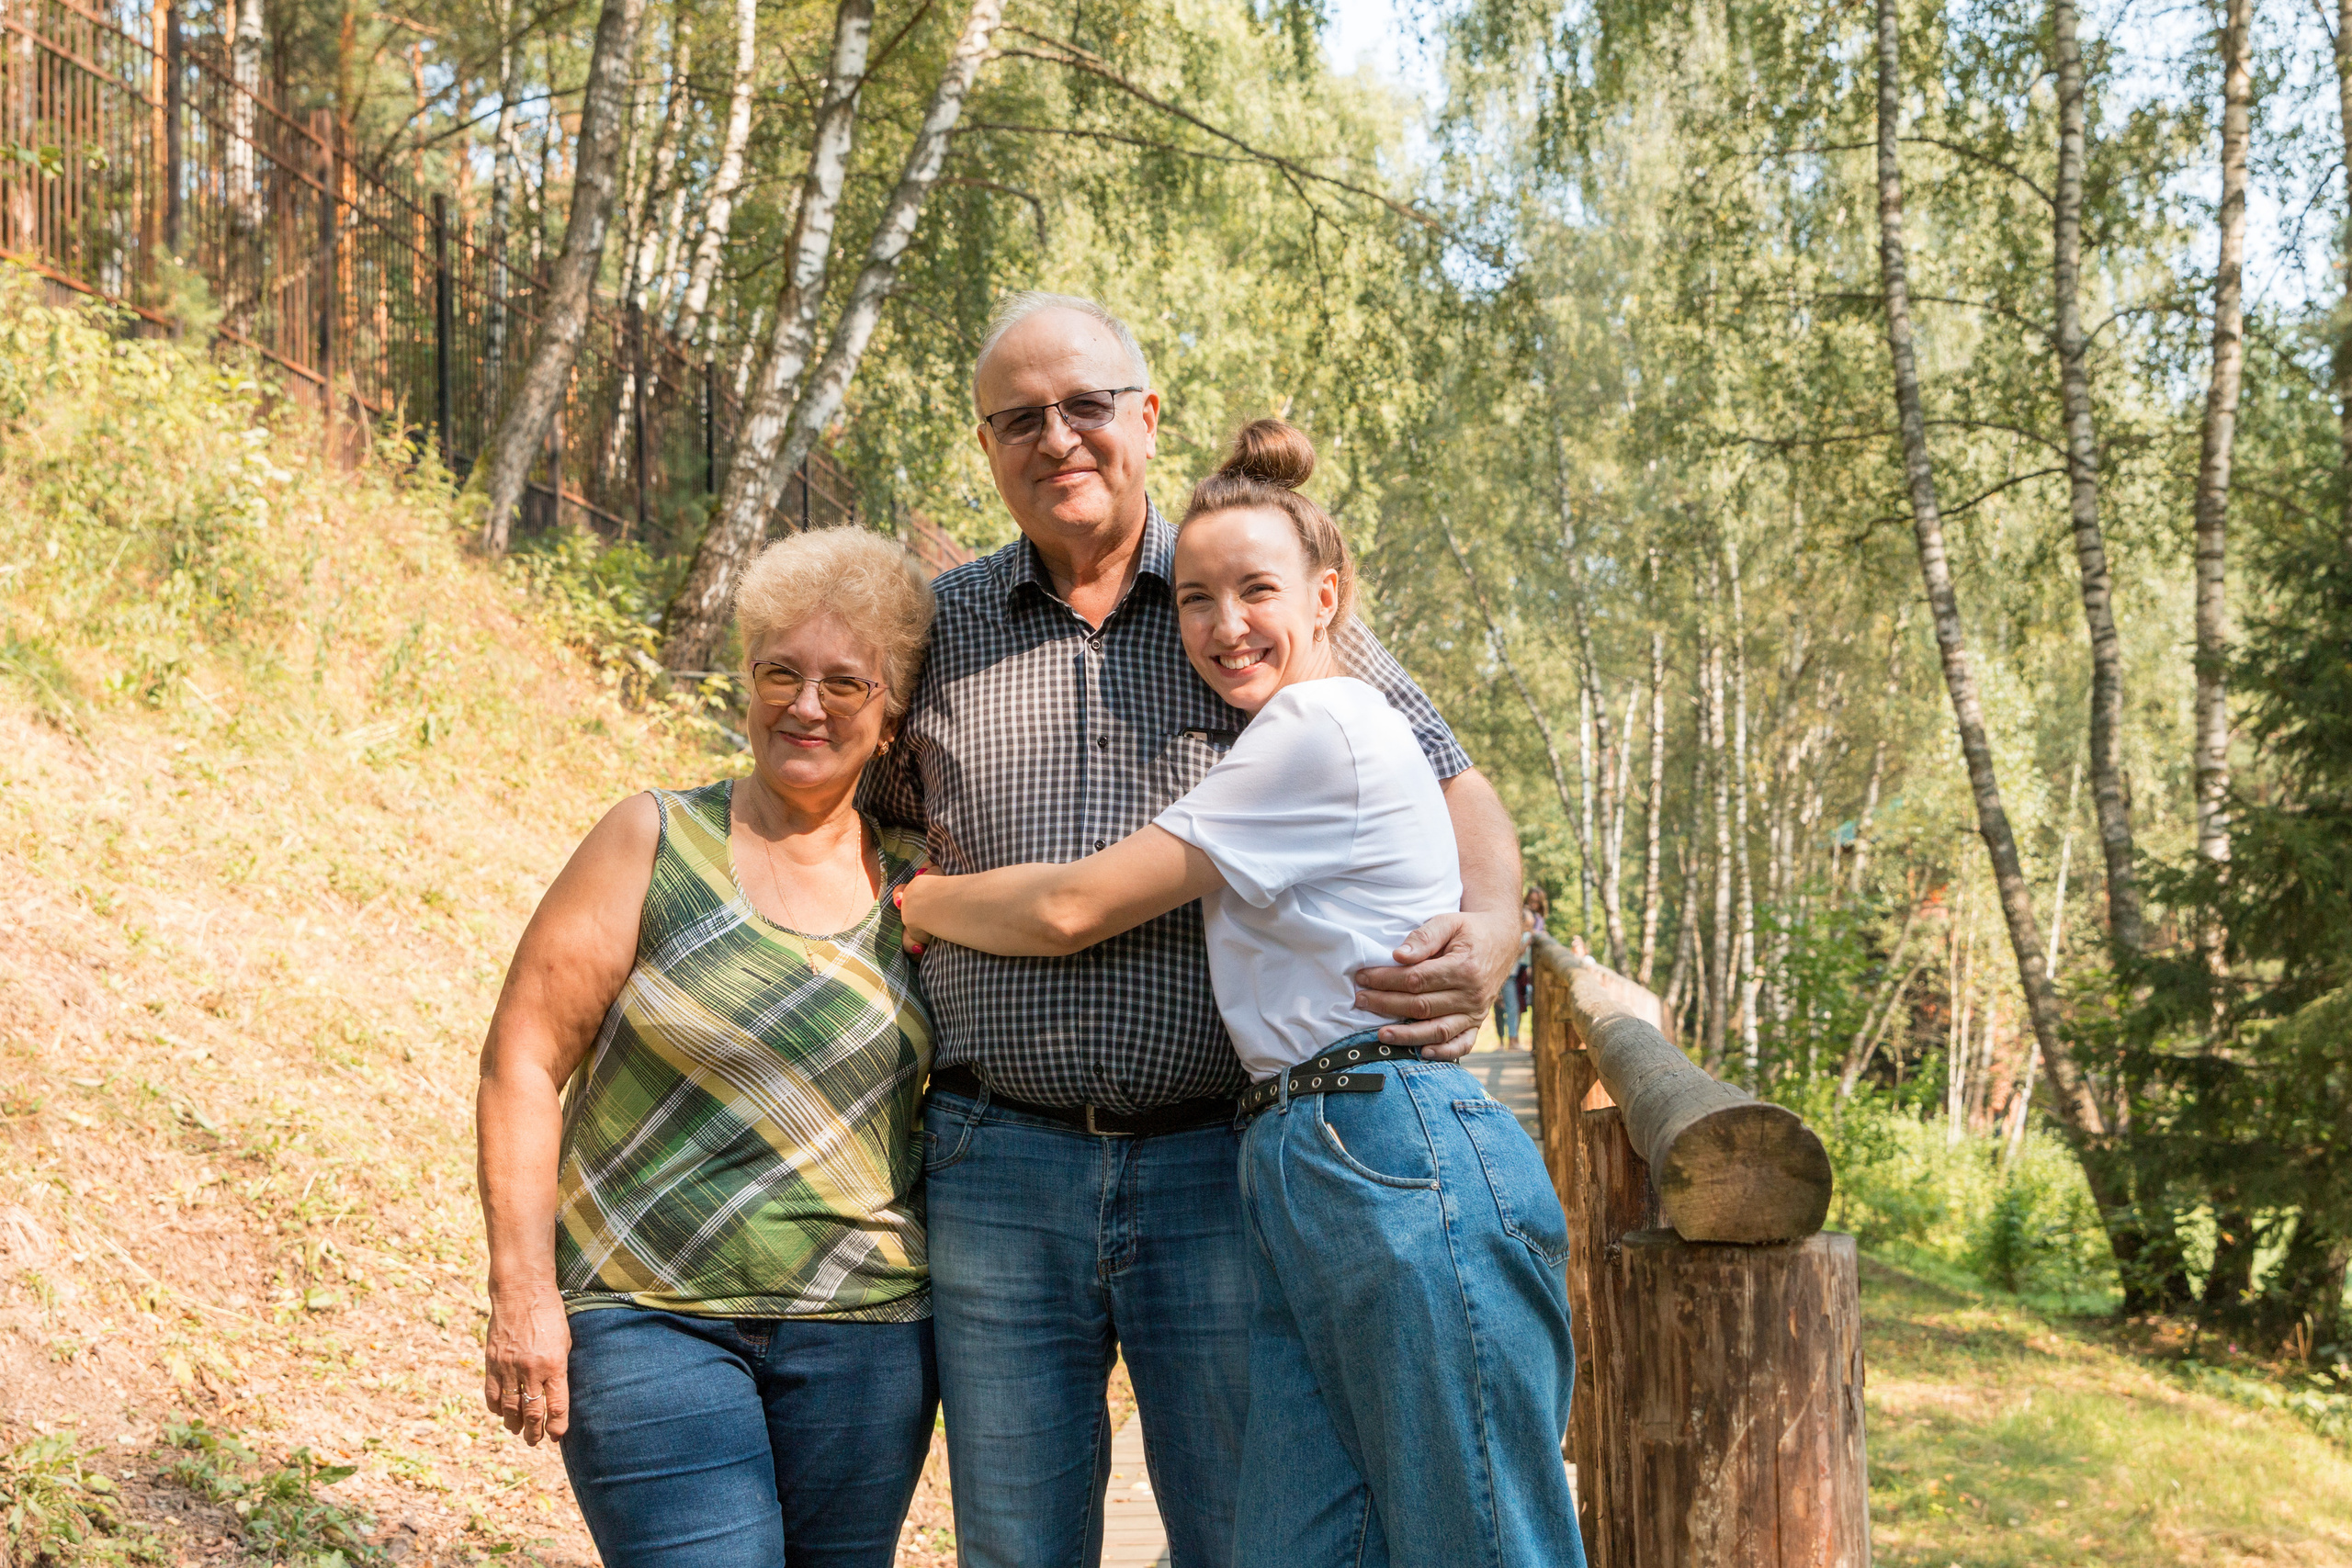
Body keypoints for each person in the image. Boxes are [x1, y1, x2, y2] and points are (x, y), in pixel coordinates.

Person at [858, 292, 1527, 1568]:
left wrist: (1491, 929)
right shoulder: (941, 624)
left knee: (1243, 1540)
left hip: (1216, 1164)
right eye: (1018, 419)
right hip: (996, 1161)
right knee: (1015, 1543)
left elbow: (1451, 774)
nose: (1057, 438)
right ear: (988, 445)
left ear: (1145, 415)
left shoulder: (1246, 586)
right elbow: (853, 804)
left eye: (1086, 406)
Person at [474, 528, 940, 1568]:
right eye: (780, 672)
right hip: (645, 1320)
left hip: (866, 1337)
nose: (805, 705)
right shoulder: (651, 838)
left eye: (842, 683)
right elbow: (521, 1062)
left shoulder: (925, 883)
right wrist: (521, 1292)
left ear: (891, 710)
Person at [1495, 885, 1548, 1047]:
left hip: (1517, 973)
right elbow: (1515, 952)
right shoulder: (1517, 935)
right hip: (1509, 974)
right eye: (1528, 925)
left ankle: (1513, 1039)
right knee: (1511, 1006)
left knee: (1516, 1006)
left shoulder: (1531, 928)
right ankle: (1511, 1040)